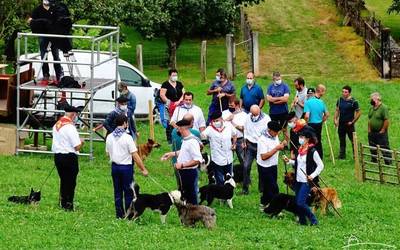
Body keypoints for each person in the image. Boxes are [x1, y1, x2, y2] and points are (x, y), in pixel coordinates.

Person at [106, 115, 149, 219]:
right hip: (126, 168)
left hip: (115, 167)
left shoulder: (110, 136)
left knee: (117, 191)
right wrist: (143, 169)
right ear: (125, 123)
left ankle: (119, 214)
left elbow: (107, 153)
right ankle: (129, 214)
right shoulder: (127, 137)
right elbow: (135, 155)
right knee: (129, 191)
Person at [284, 127, 324, 226]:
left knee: (301, 202)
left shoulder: (312, 151)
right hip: (298, 180)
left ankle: (313, 219)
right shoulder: (300, 149)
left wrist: (312, 175)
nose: (300, 139)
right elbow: (298, 163)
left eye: (302, 137)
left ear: (307, 139)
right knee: (298, 202)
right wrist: (289, 161)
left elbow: (321, 165)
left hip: (307, 181)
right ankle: (302, 221)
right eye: (300, 137)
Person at [161, 119, 203, 204]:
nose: (177, 131)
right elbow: (185, 152)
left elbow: (198, 159)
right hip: (183, 172)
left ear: (183, 128)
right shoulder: (185, 139)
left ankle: (193, 215)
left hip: (189, 173)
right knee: (184, 195)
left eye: (178, 129)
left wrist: (182, 165)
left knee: (191, 197)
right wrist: (171, 154)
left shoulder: (192, 141)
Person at [52, 105, 84, 211]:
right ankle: (68, 204)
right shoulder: (70, 127)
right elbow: (77, 146)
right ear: (73, 114)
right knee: (71, 181)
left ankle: (63, 201)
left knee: (63, 179)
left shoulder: (57, 124)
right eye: (75, 115)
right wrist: (82, 142)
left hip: (58, 155)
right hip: (69, 156)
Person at [29, 0, 63, 84]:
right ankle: (46, 75)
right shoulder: (38, 9)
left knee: (56, 55)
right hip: (43, 35)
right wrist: (37, 22)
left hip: (54, 35)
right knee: (44, 55)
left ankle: (59, 75)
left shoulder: (55, 8)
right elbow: (30, 20)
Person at [242, 105, 271, 195]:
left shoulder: (266, 119)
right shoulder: (248, 117)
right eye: (252, 114)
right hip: (250, 145)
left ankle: (261, 189)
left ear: (259, 111)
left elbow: (268, 132)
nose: (253, 116)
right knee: (246, 166)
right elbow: (245, 129)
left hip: (260, 146)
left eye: (255, 114)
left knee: (261, 168)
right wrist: (244, 141)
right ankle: (245, 189)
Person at [202, 111, 237, 185]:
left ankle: (228, 194)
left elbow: (235, 134)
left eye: (217, 120)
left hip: (228, 157)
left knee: (229, 178)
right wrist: (203, 136)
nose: (215, 122)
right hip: (217, 158)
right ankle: (220, 192)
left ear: (221, 119)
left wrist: (234, 144)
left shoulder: (228, 125)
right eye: (214, 121)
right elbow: (203, 135)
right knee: (219, 179)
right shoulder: (210, 129)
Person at [257, 121, 286, 208]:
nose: (277, 134)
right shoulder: (262, 140)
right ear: (269, 130)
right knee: (274, 188)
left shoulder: (274, 136)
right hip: (264, 167)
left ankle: (264, 203)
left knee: (267, 187)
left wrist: (282, 144)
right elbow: (264, 156)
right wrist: (277, 148)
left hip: (273, 165)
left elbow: (277, 144)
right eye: (276, 132)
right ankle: (275, 207)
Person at [171, 113, 202, 189]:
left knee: (182, 187)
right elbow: (200, 148)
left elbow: (197, 158)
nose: (178, 131)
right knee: (190, 188)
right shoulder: (192, 135)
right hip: (186, 165)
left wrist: (172, 154)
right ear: (191, 123)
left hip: (180, 164)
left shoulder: (174, 132)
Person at [334, 85, 361, 159]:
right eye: (343, 92)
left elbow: (359, 112)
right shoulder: (339, 100)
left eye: (345, 92)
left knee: (353, 140)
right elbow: (337, 110)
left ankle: (356, 156)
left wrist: (353, 122)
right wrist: (335, 119)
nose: (343, 93)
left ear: (349, 93)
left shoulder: (354, 101)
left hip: (349, 125)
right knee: (342, 140)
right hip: (341, 124)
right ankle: (342, 155)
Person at [158, 69, 185, 144]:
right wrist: (169, 103)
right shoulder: (165, 84)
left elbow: (183, 93)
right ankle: (170, 139)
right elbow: (162, 95)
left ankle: (180, 135)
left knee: (179, 120)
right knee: (170, 121)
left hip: (179, 105)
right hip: (169, 105)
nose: (175, 77)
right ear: (169, 76)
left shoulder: (179, 84)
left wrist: (179, 101)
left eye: (176, 75)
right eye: (173, 75)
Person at [304, 84, 329, 159]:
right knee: (318, 140)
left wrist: (306, 123)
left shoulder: (308, 102)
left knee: (310, 141)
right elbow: (327, 114)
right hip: (318, 124)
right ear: (320, 91)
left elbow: (307, 116)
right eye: (324, 91)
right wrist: (321, 120)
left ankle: (311, 157)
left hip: (310, 124)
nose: (324, 93)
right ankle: (320, 157)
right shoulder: (321, 102)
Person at [222, 98, 248, 166]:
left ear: (237, 105)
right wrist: (227, 119)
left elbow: (244, 129)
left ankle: (245, 175)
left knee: (243, 159)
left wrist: (233, 123)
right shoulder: (224, 113)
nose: (230, 107)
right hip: (228, 139)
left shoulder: (244, 115)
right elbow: (220, 125)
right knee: (228, 160)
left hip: (240, 140)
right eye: (229, 105)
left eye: (232, 106)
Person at [368, 92, 391, 164]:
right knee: (372, 146)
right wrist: (369, 129)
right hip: (372, 132)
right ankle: (374, 159)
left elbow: (386, 120)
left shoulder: (383, 108)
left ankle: (388, 161)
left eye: (372, 99)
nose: (371, 100)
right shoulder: (371, 108)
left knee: (384, 146)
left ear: (377, 99)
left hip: (381, 132)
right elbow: (369, 119)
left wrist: (383, 130)